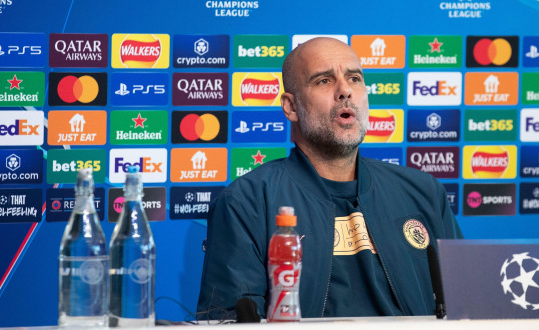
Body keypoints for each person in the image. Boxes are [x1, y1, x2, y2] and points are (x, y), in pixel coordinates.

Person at [196, 37, 462, 320]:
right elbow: (229, 322)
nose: (345, 90)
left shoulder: (423, 192)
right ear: (291, 107)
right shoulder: (247, 202)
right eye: (324, 81)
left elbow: (468, 305)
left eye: (355, 78)